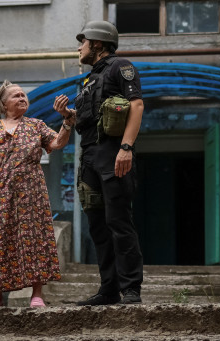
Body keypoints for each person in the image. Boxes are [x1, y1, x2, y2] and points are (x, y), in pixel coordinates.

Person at [0, 80, 74, 308]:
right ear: (4, 104)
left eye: (24, 95)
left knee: (34, 239)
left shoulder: (36, 125)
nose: (23, 98)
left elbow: (57, 143)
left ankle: (36, 294)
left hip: (30, 195)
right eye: (16, 95)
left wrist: (66, 121)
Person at [69, 20, 145, 305]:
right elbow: (90, 119)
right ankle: (109, 289)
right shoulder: (89, 79)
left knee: (118, 222)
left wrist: (126, 147)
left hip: (113, 154)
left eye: (83, 42)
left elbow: (136, 104)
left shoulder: (120, 66)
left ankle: (131, 289)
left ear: (98, 43)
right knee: (98, 227)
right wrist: (69, 117)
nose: (80, 48)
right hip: (89, 157)